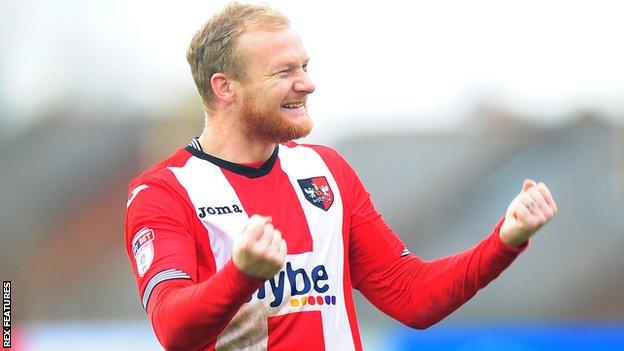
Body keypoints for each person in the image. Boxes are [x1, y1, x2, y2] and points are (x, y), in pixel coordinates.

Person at [124, 3, 558, 350]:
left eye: (304, 67)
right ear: (225, 88)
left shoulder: (324, 170)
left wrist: (506, 239)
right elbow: (172, 328)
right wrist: (242, 273)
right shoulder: (164, 192)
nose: (306, 84)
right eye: (284, 72)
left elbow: (412, 295)